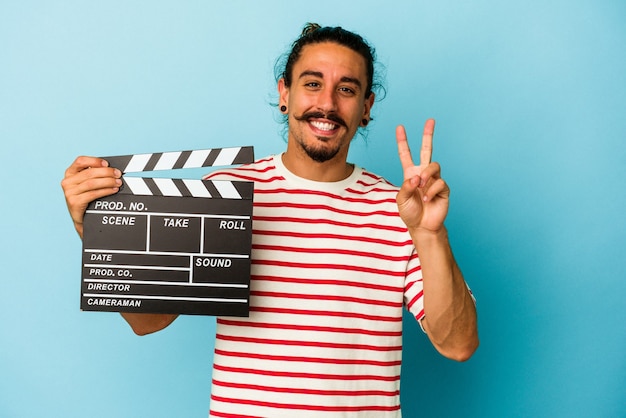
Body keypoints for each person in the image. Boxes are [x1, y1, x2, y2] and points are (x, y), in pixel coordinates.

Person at [62, 23, 478, 417]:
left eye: (346, 89)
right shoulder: (226, 193)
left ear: (366, 107)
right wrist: (93, 230)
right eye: (312, 83)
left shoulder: (401, 209)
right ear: (285, 93)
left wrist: (429, 234)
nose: (327, 104)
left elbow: (458, 344)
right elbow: (147, 321)